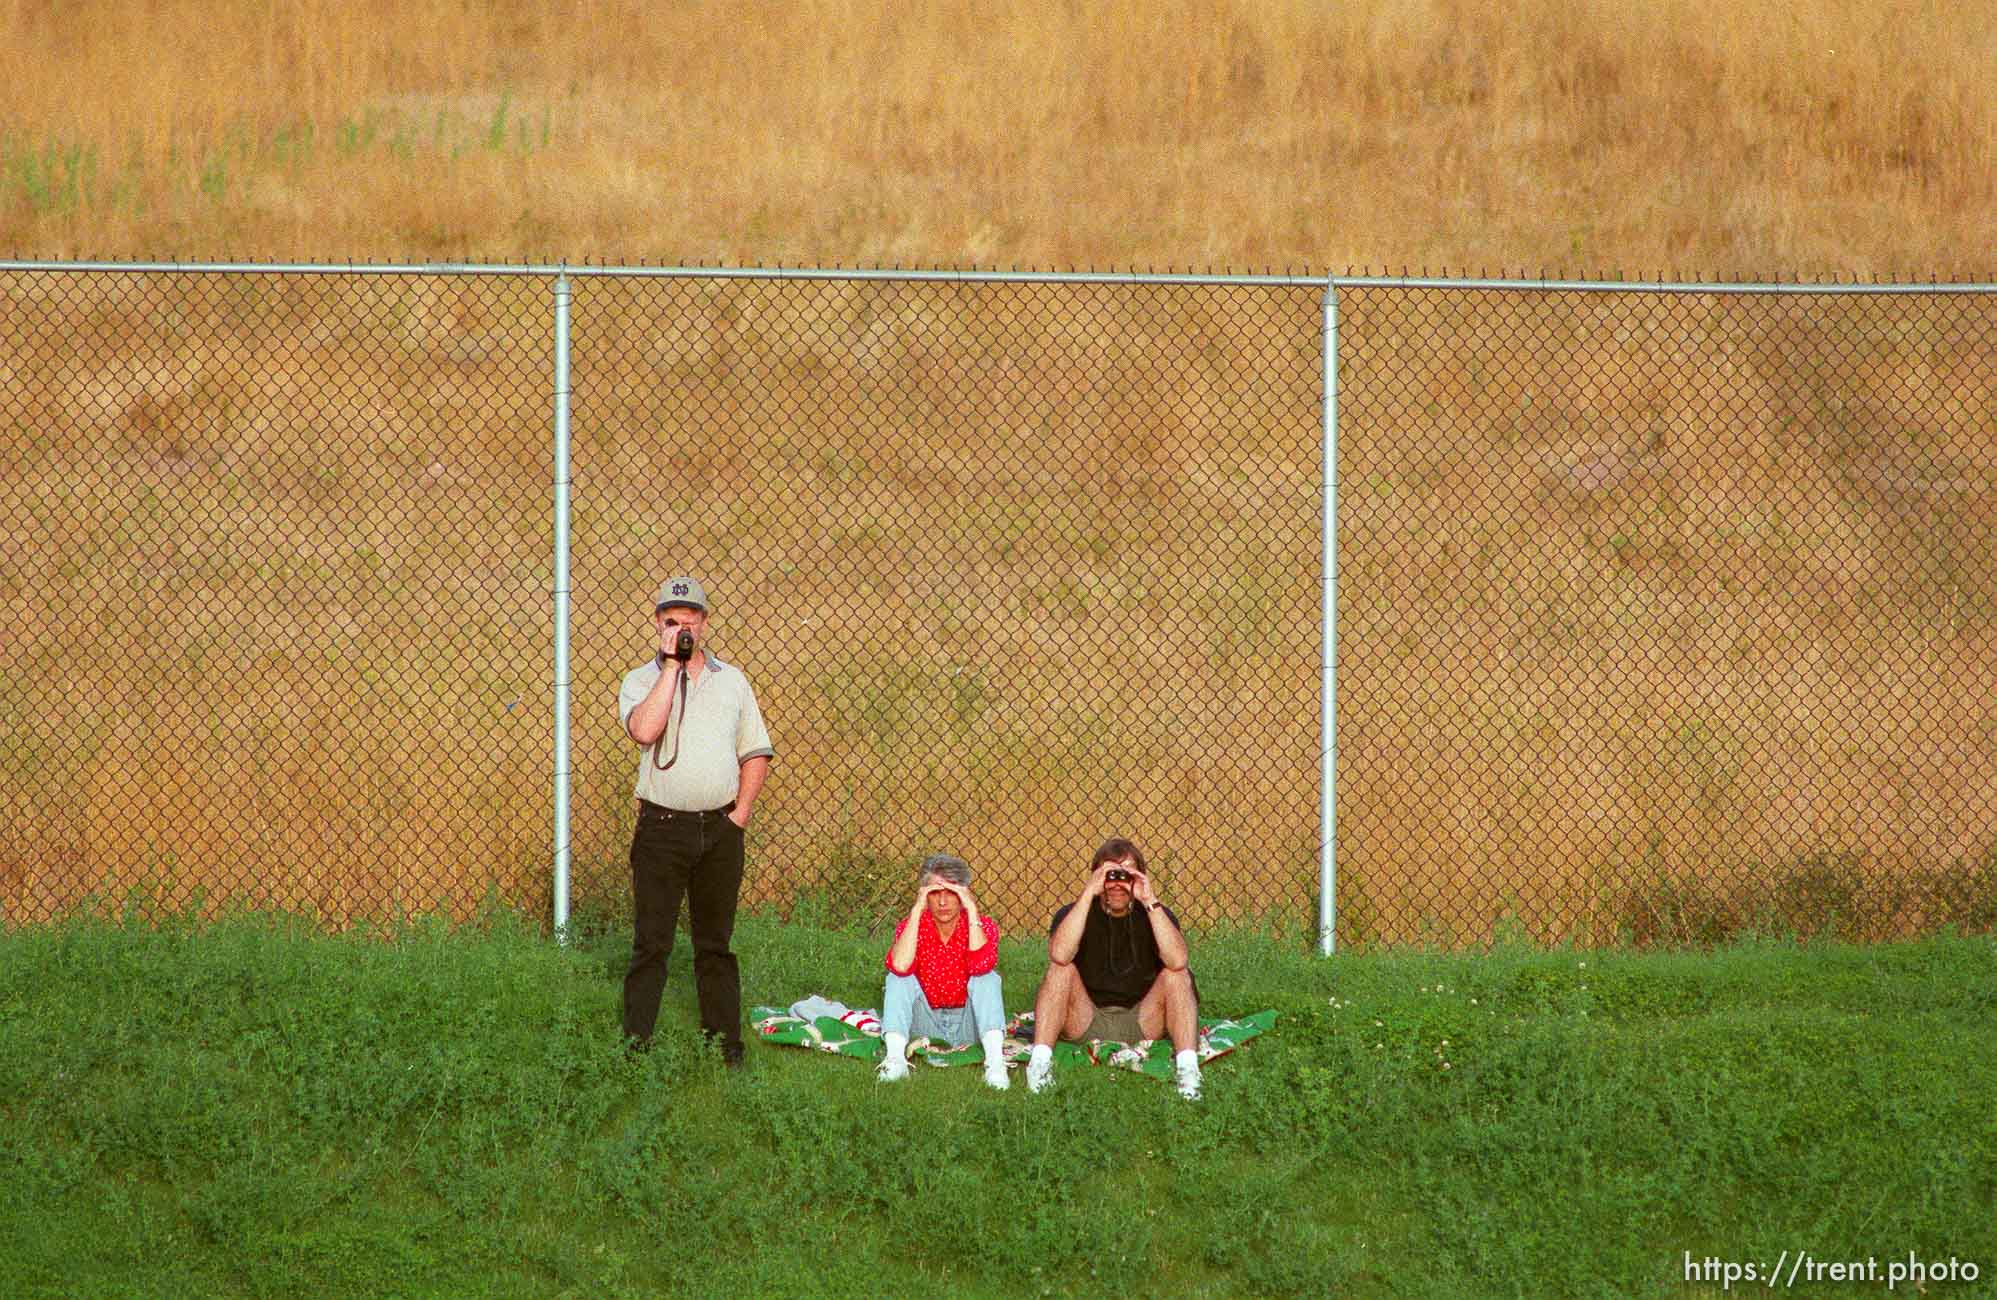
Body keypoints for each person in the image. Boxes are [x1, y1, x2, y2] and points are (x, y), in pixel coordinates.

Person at [618, 575, 774, 1065]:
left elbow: (755, 751)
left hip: (720, 831)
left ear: (705, 624)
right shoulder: (641, 680)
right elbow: (644, 731)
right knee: (652, 942)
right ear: (658, 624)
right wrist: (670, 668)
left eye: (689, 621)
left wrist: (741, 814)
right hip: (662, 830)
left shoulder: (733, 680)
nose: (681, 629)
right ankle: (636, 1044)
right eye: (671, 622)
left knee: (715, 943)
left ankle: (724, 1043)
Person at [1023, 838, 1202, 1099]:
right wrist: (1087, 895)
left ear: (1139, 876)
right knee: (1059, 970)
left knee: (1177, 976)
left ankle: (1188, 1072)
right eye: (1110, 874)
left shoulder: (1155, 914)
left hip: (1141, 1020)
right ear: (1097, 876)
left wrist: (1150, 900)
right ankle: (1039, 1066)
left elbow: (1177, 961)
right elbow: (1060, 954)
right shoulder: (1075, 913)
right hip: (1086, 1018)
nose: (1118, 883)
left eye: (1126, 874)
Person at [878, 854, 1010, 1090]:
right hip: (925, 1022)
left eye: (951, 893)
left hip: (969, 1023)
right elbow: (899, 966)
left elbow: (981, 966)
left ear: (963, 894)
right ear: (924, 895)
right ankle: (896, 1060)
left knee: (988, 978)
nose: (942, 902)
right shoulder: (913, 925)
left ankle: (995, 1063)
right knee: (896, 980)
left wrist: (971, 909)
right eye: (934, 893)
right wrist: (917, 911)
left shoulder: (983, 925)